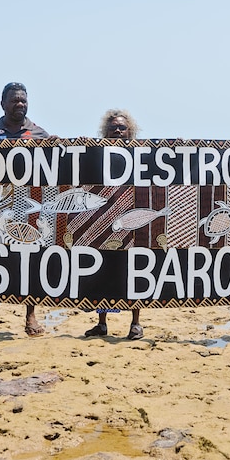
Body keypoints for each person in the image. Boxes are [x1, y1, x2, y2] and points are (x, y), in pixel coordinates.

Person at [0, 82, 52, 338]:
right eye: (15, 100)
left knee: (30, 261)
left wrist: (59, 148)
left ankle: (30, 316)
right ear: (2, 103)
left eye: (23, 100)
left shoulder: (39, 134)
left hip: (30, 210)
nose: (20, 104)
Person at [84, 109, 145, 340]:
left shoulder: (143, 154)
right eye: (113, 128)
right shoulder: (96, 153)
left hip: (132, 220)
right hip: (102, 221)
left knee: (135, 272)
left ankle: (136, 324)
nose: (118, 131)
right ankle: (102, 323)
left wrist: (182, 149)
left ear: (130, 131)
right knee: (103, 272)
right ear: (105, 132)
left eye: (122, 128)